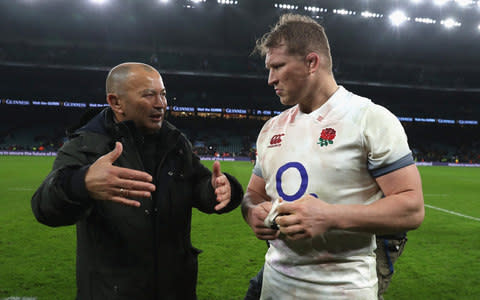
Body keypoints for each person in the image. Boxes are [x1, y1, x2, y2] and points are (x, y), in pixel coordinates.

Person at [241, 14, 424, 299]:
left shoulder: (370, 119)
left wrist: (330, 216)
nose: (270, 79)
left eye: (277, 66)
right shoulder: (271, 129)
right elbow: (253, 194)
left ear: (312, 62)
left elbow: (412, 208)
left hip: (343, 289)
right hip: (275, 285)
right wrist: (252, 211)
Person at [31, 62, 244, 299]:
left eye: (163, 94)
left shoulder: (174, 142)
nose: (161, 103)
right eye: (148, 95)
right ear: (115, 102)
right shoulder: (87, 146)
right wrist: (82, 183)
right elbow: (43, 207)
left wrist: (222, 190)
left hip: (175, 290)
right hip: (112, 292)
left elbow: (199, 185)